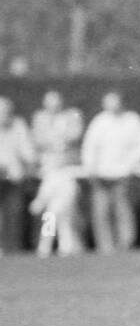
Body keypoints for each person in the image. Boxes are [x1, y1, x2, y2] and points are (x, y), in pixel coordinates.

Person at [81, 91, 140, 253]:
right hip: (101, 177)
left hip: (122, 176)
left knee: (122, 210)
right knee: (101, 212)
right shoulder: (99, 122)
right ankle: (105, 247)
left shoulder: (132, 120)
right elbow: (89, 147)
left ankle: (125, 244)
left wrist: (130, 165)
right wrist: (90, 167)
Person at [30, 90, 85, 256]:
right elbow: (38, 138)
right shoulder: (39, 118)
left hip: (67, 173)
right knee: (53, 215)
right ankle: (51, 246)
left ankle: (65, 245)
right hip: (51, 172)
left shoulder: (72, 115)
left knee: (61, 215)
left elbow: (75, 134)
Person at [0, 97, 36, 254]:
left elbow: (28, 151)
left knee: (14, 213)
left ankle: (13, 249)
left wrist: (30, 164)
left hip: (14, 179)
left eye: (6, 112)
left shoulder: (18, 125)